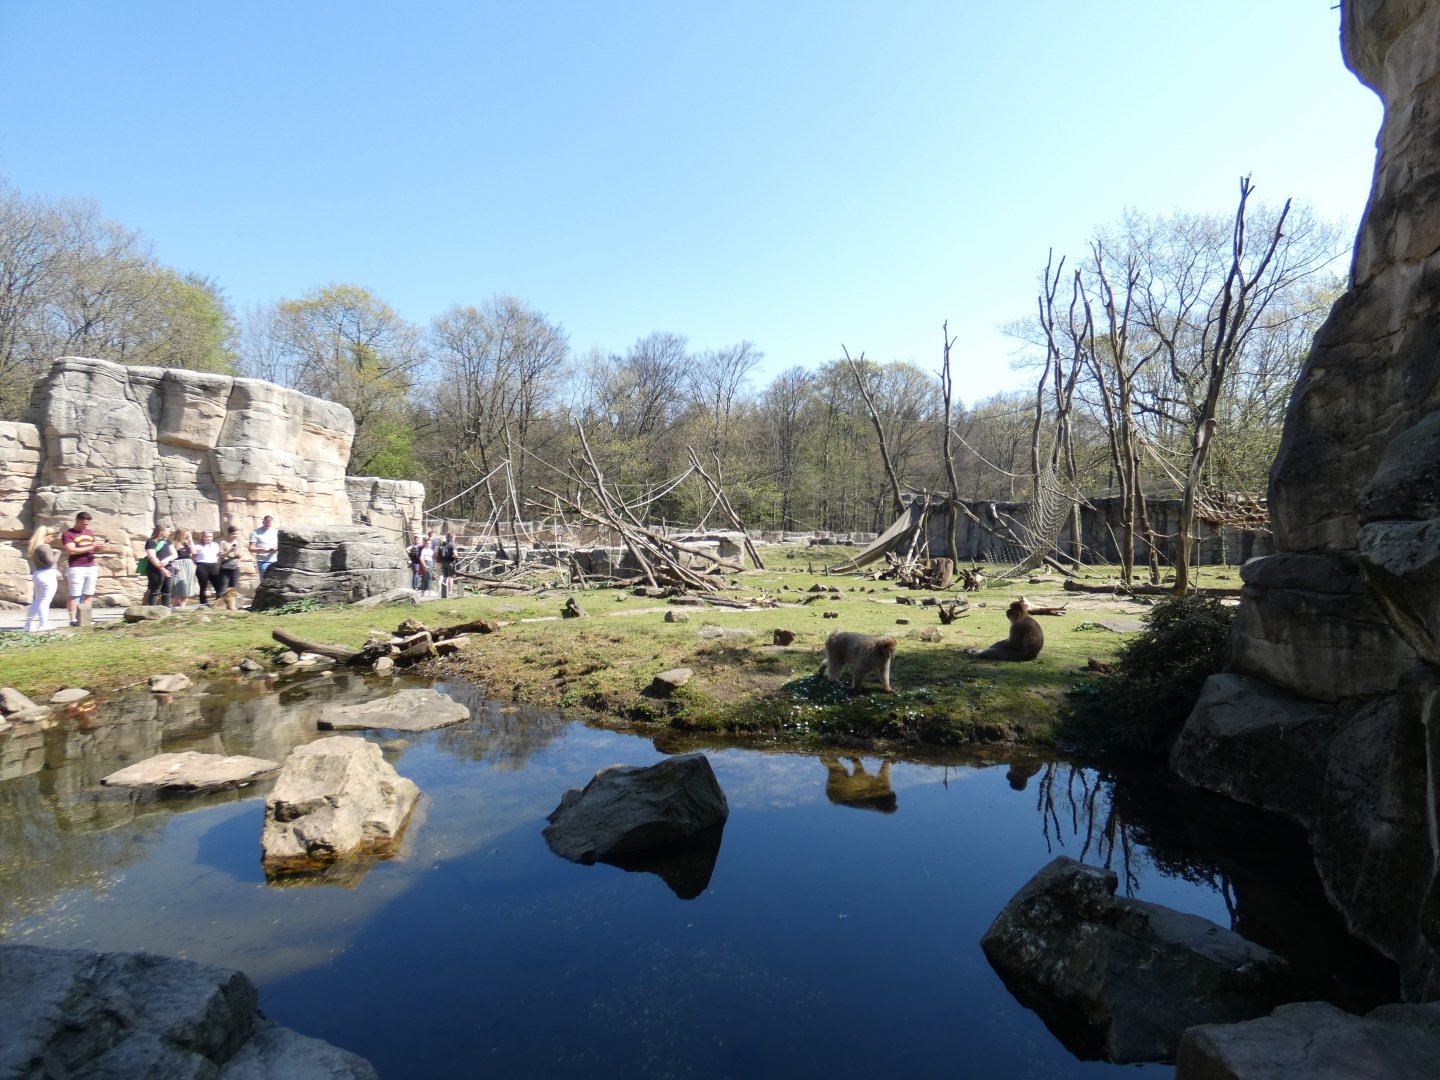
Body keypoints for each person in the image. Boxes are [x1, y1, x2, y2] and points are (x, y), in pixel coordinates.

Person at [61, 511, 105, 627]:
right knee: (74, 594)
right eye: (83, 524)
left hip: (90, 566)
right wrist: (91, 546)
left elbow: (92, 549)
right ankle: (73, 619)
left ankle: (86, 618)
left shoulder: (89, 532)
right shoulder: (68, 534)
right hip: (76, 567)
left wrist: (97, 548)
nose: (85, 526)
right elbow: (71, 550)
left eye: (87, 524)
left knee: (88, 593)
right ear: (77, 521)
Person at [23, 525, 60, 632]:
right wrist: (57, 553)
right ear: (46, 536)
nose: (53, 539)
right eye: (52, 536)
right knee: (45, 600)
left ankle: (28, 625)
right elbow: (51, 562)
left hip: (37, 574)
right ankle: (43, 623)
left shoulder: (35, 546)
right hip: (47, 574)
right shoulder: (45, 547)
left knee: (37, 601)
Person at [141, 524, 175, 607]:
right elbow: (152, 557)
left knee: (167, 591)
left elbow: (174, 554)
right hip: (155, 569)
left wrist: (167, 560)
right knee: (155, 590)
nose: (169, 533)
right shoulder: (151, 542)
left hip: (169, 567)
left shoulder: (168, 542)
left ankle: (166, 610)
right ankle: (152, 611)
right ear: (161, 532)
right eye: (168, 531)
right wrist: (163, 569)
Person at [169, 528, 197, 608]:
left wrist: (190, 540)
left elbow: (194, 553)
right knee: (178, 588)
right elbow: (170, 556)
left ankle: (183, 607)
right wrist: (173, 565)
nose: (186, 536)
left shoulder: (187, 544)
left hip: (188, 565)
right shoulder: (173, 544)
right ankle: (173, 607)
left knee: (187, 587)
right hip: (178, 564)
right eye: (185, 535)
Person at [193, 529, 221, 605]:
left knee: (218, 584)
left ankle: (219, 601)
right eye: (206, 537)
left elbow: (217, 555)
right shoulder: (197, 546)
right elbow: (194, 557)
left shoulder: (215, 545)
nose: (208, 538)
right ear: (203, 537)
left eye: (210, 536)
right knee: (203, 585)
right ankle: (203, 602)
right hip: (202, 565)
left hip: (213, 565)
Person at [218, 524, 244, 595]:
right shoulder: (223, 542)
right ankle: (220, 603)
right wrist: (229, 551)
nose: (235, 535)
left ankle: (231, 604)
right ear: (229, 533)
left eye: (237, 534)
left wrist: (236, 551)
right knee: (223, 587)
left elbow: (241, 556)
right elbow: (221, 556)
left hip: (236, 567)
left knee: (232, 588)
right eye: (234, 534)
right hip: (225, 566)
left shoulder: (239, 543)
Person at [438, 533, 458, 598]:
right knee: (450, 577)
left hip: (443, 562)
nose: (455, 538)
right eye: (454, 537)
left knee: (444, 577)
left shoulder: (443, 544)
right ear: (452, 538)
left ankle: (443, 591)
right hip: (450, 562)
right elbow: (455, 554)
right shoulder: (452, 544)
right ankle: (450, 592)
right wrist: (456, 557)